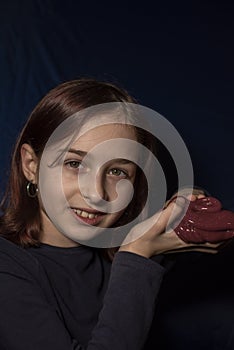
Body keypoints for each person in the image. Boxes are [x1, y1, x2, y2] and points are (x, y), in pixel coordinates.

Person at [0, 79, 230, 350]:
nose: (96, 193)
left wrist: (186, 204)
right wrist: (136, 256)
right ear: (30, 165)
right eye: (75, 164)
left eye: (117, 171)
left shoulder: (123, 243)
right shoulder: (7, 265)